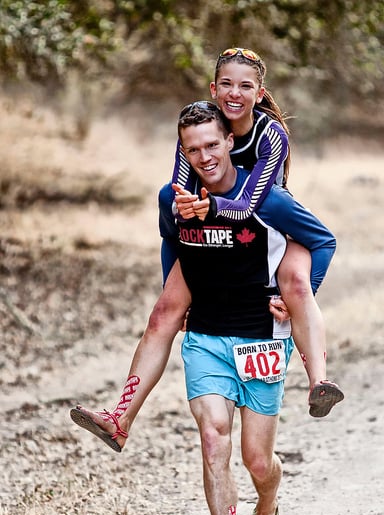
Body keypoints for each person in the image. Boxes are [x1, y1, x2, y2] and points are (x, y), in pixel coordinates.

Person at [70, 47, 343, 454]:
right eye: (227, 84)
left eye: (245, 86)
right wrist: (175, 292)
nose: (234, 94)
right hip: (213, 225)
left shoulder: (270, 135)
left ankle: (318, 382)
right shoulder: (197, 130)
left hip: (268, 219)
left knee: (296, 285)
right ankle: (119, 418)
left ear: (259, 91)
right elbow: (177, 196)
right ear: (214, 88)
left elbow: (253, 203)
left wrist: (211, 205)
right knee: (163, 312)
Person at [159, 101, 334, 515]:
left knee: (258, 461)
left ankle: (269, 499)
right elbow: (171, 241)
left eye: (213, 144)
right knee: (213, 437)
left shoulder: (268, 199)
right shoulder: (178, 195)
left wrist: (300, 295)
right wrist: (173, 293)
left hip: (262, 338)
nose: (204, 156)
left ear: (231, 142)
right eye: (193, 148)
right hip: (207, 337)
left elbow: (323, 241)